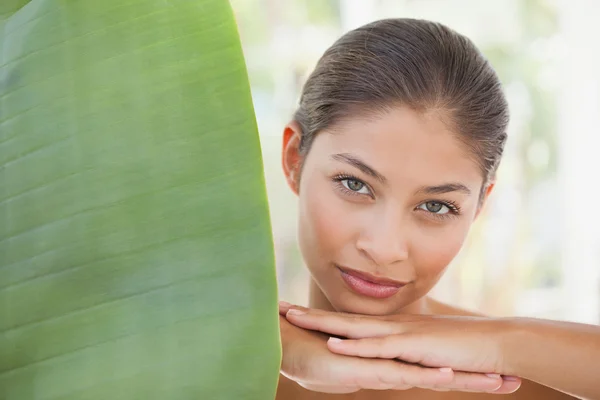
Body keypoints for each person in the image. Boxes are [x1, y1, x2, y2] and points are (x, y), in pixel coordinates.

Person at [274, 17, 600, 400]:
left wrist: (507, 342)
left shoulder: (522, 386)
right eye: (355, 184)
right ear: (295, 158)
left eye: (435, 206)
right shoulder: (210, 370)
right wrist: (269, 345)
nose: (385, 248)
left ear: (478, 206)